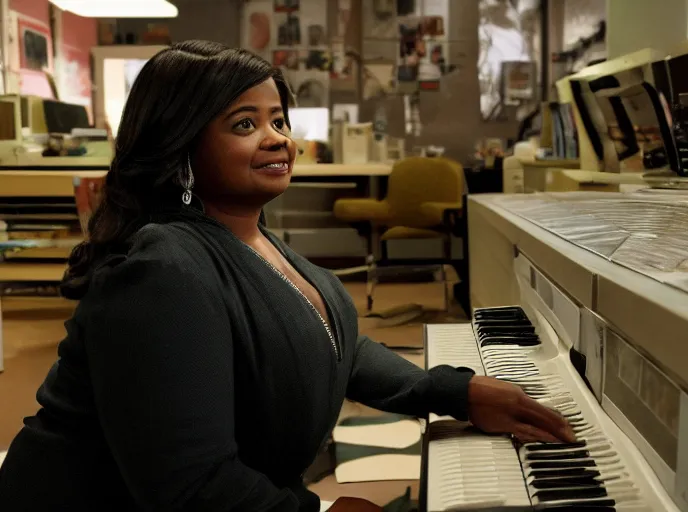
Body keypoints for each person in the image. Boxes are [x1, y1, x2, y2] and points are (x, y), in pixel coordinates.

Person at [0, 41, 573, 512]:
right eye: (244, 123)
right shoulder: (160, 272)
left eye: (278, 119)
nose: (277, 138)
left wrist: (453, 391)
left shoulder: (250, 236)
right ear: (181, 146)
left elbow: (328, 343)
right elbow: (190, 486)